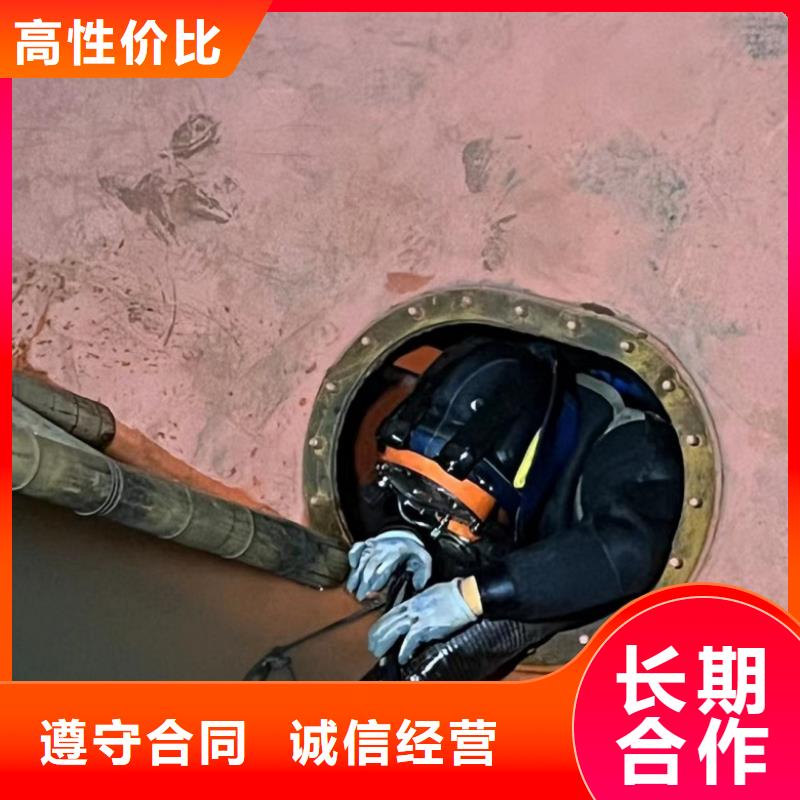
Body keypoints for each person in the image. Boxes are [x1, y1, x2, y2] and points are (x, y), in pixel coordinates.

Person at [346, 336, 684, 680]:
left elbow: (624, 551)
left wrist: (473, 597)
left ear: (520, 480)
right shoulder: (474, 486)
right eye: (406, 484)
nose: (432, 521)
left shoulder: (633, 445)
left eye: (452, 510)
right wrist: (402, 529)